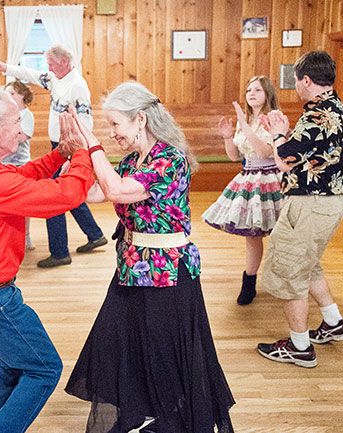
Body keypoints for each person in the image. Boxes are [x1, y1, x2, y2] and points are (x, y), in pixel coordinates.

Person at [63, 82, 235, 433]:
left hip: (169, 271)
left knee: (162, 350)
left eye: (115, 124)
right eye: (108, 126)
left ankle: (172, 420)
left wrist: (92, 145)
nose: (112, 134)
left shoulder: (170, 159)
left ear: (140, 119)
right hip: (132, 266)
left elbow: (117, 190)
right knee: (121, 342)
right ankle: (133, 409)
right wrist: (76, 155)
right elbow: (97, 192)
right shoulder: (131, 160)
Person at [0, 88, 95, 432]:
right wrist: (83, 155)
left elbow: (17, 179)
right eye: (17, 123)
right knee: (44, 368)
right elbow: (65, 195)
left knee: (14, 364)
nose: (23, 132)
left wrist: (59, 157)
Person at [257, 51, 343, 368]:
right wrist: (285, 133)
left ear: (307, 80)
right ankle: (334, 322)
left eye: (297, 81)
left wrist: (276, 132)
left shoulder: (316, 117)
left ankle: (299, 346)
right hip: (330, 204)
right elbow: (305, 154)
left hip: (310, 205)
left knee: (290, 271)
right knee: (309, 265)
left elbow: (285, 160)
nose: (297, 87)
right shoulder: (339, 110)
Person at [0, 45, 107, 268]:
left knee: (54, 196)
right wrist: (4, 67)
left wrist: (78, 152)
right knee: (69, 193)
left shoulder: (77, 86)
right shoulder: (55, 78)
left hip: (69, 145)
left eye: (51, 64)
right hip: (59, 145)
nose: (48, 68)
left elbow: (86, 119)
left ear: (65, 63)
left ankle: (59, 252)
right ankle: (95, 234)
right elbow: (30, 74)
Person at [202, 76, 283, 305]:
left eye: (257, 89)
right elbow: (235, 156)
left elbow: (266, 151)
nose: (251, 93)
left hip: (271, 178)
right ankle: (249, 282)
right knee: (252, 234)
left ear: (267, 93)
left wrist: (245, 126)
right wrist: (228, 136)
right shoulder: (245, 118)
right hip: (249, 178)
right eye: (248, 90)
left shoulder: (274, 118)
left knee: (279, 234)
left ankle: (285, 278)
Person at [0, 66, 36, 250]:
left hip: (20, 165)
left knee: (24, 204)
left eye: (12, 92)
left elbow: (20, 138)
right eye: (6, 93)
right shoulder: (1, 114)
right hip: (1, 164)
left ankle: (25, 235)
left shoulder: (27, 116)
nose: (8, 96)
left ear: (23, 96)